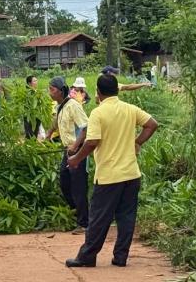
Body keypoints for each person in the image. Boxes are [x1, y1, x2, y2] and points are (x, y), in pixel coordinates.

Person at [65, 73, 159, 268]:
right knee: (126, 217)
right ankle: (120, 257)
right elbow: (152, 124)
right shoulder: (130, 109)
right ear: (117, 90)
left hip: (109, 176)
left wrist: (75, 159)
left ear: (98, 92)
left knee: (99, 218)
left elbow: (92, 142)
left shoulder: (98, 113)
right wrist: (137, 142)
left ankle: (87, 256)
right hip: (131, 174)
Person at [43, 77, 89, 234]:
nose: (50, 92)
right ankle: (77, 215)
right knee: (65, 182)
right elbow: (56, 122)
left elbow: (85, 128)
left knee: (78, 186)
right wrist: (48, 134)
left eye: (52, 89)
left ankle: (84, 223)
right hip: (67, 150)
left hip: (78, 150)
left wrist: (75, 147)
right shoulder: (60, 106)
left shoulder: (73, 106)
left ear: (61, 91)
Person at [23, 74, 42, 139]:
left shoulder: (37, 92)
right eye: (34, 81)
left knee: (35, 134)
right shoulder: (27, 93)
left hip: (37, 116)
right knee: (29, 134)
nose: (36, 82)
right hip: (29, 117)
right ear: (29, 83)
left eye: (36, 80)